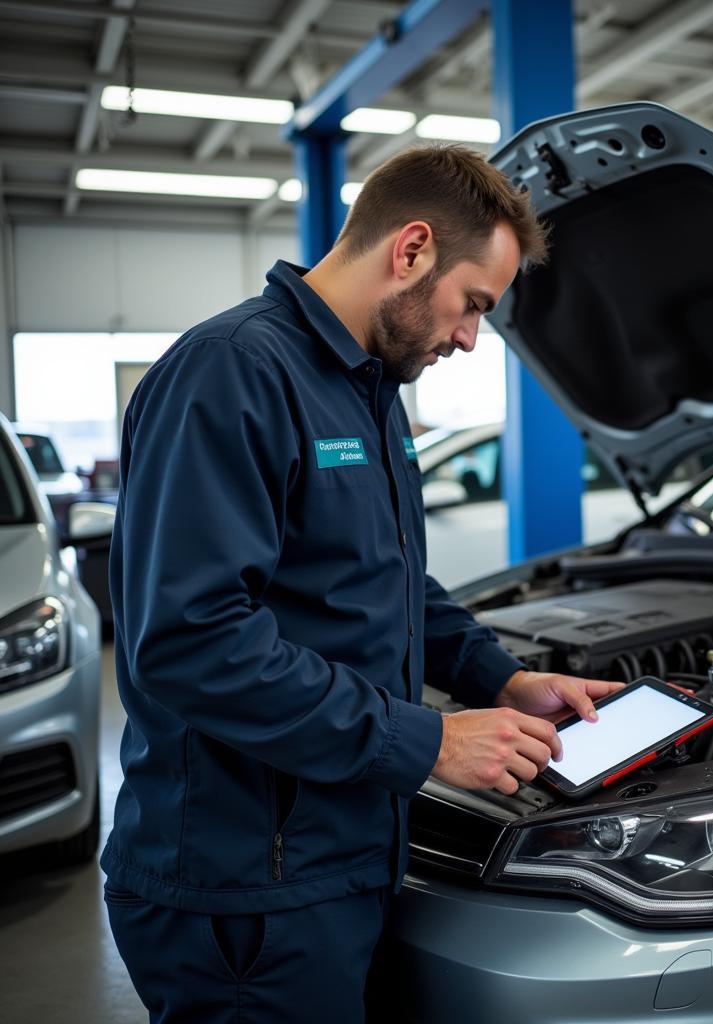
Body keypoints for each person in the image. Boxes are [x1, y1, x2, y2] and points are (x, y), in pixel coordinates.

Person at [101, 144, 621, 1023]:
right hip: (244, 888)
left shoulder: (369, 391)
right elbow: (191, 642)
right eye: (473, 306)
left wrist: (500, 676)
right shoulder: (233, 373)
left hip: (339, 855)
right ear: (411, 249)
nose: (467, 337)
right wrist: (431, 743)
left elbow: (389, 583)